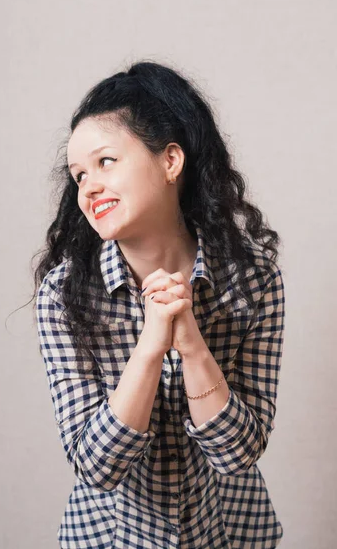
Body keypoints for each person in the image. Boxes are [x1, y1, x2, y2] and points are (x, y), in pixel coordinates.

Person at [33, 60, 285, 548]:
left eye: (105, 162)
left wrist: (190, 342)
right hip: (107, 539)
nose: (89, 188)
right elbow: (96, 466)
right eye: (78, 175)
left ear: (170, 161)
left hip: (229, 534)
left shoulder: (253, 280)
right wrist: (151, 346)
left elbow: (238, 454)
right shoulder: (63, 296)